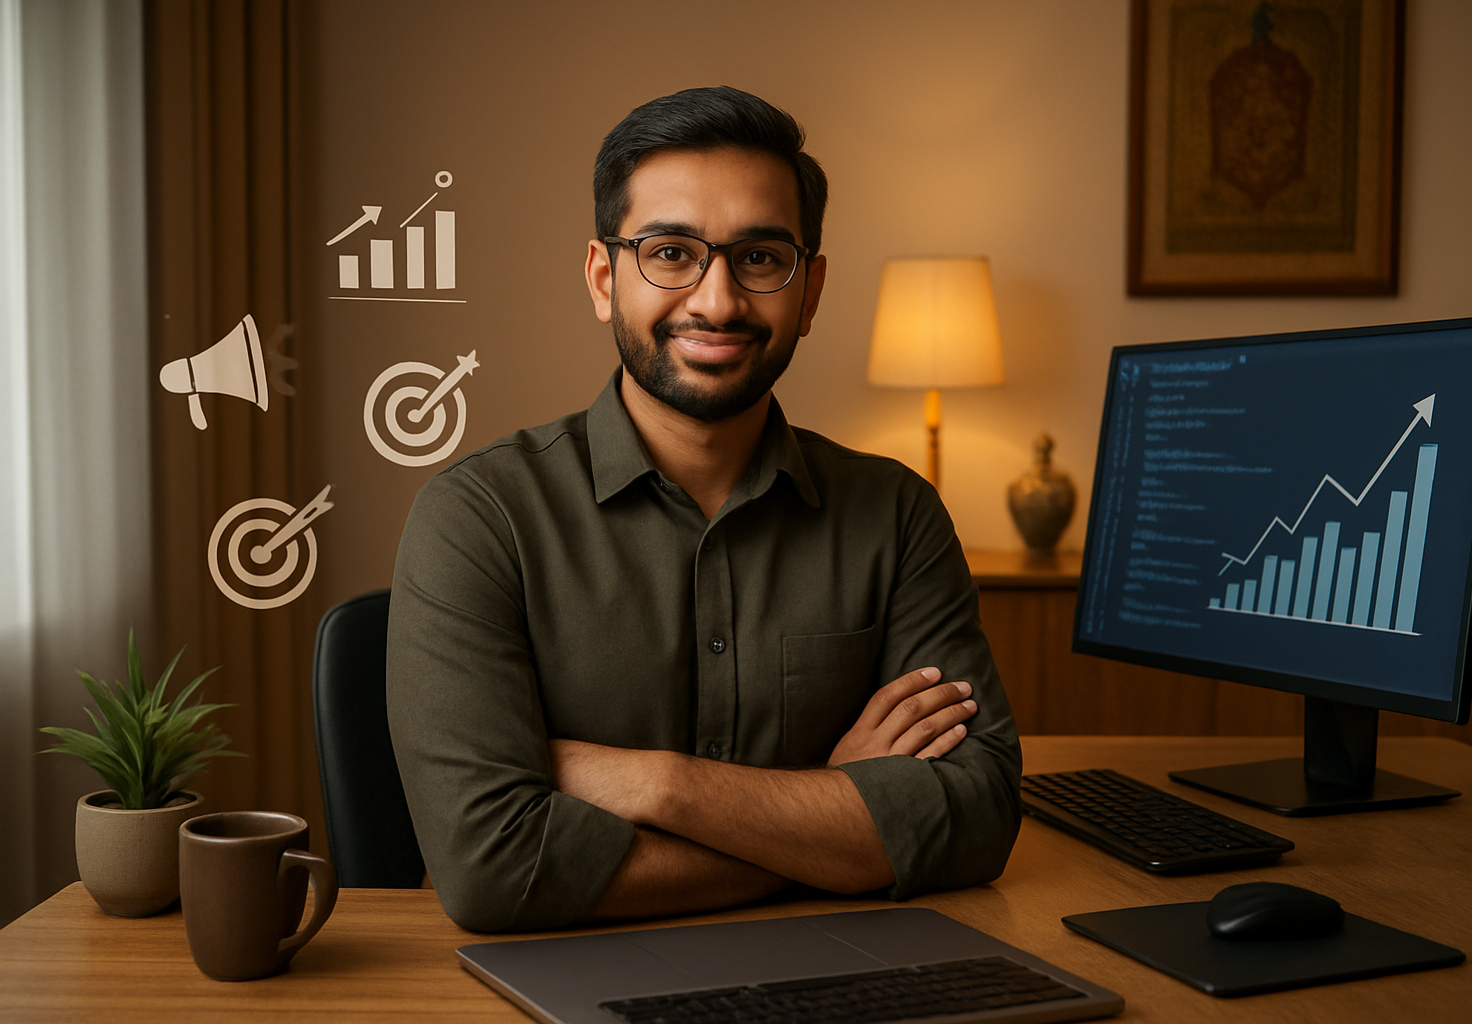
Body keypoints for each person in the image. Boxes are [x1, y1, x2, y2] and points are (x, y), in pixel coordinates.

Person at [387, 86, 1023, 933]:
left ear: (812, 289)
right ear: (604, 278)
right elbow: (494, 872)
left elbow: (974, 818)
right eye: (671, 252)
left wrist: (654, 784)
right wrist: (830, 819)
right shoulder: (477, 519)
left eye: (760, 258)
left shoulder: (897, 515)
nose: (718, 301)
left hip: (841, 981)